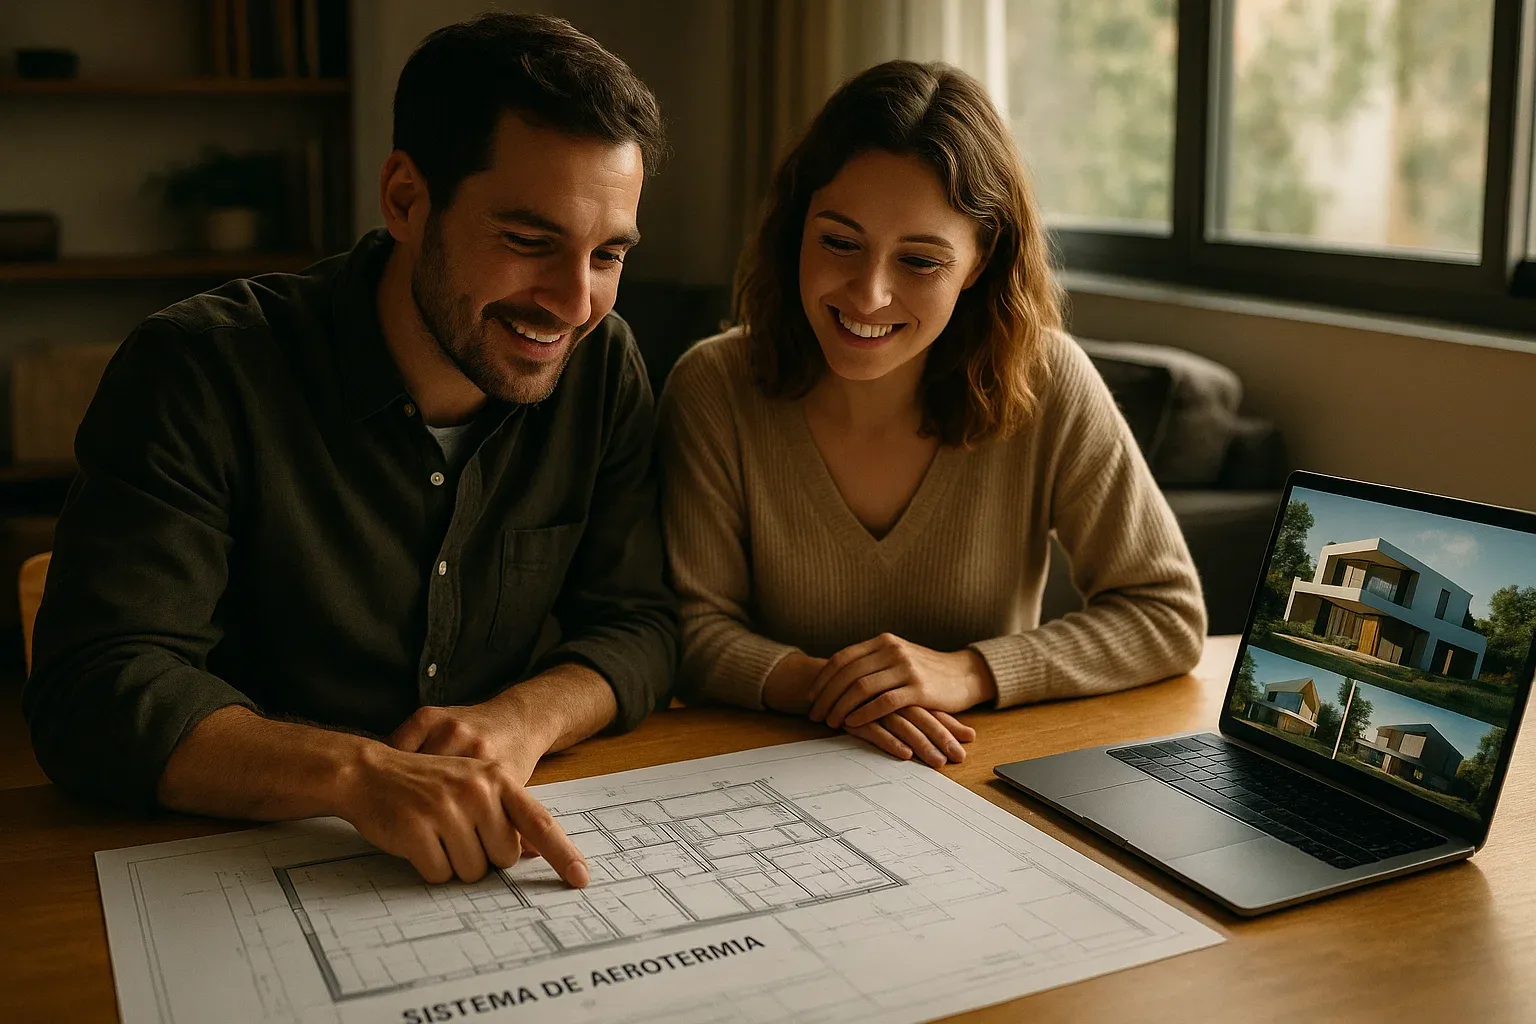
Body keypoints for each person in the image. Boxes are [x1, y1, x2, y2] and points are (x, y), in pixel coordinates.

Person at [24, 13, 678, 888]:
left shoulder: (602, 366)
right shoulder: (198, 370)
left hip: (485, 865)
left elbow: (638, 623)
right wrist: (359, 774)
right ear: (405, 199)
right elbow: (94, 689)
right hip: (236, 872)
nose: (573, 302)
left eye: (607, 255)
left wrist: (523, 719)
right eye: (529, 241)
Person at [658, 60, 1205, 768]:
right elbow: (687, 628)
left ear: (979, 262)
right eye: (839, 242)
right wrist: (838, 691)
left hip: (974, 776)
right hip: (767, 773)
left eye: (919, 262)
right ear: (797, 229)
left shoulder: (1048, 380)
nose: (868, 295)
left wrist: (968, 672)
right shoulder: (712, 387)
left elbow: (1166, 612)